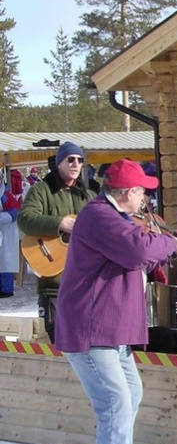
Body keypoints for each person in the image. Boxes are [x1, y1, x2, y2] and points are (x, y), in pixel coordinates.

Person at [54, 158, 177, 444]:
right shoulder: (99, 216)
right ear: (127, 192)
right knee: (114, 403)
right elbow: (139, 250)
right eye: (142, 190)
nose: (145, 196)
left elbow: (143, 255)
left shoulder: (116, 217)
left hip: (111, 328)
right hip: (91, 327)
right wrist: (172, 244)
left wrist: (164, 246)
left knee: (130, 392)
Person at [18, 142, 96, 341]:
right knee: (60, 341)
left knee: (87, 341)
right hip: (55, 283)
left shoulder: (88, 196)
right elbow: (25, 219)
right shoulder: (41, 191)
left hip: (85, 284)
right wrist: (60, 223)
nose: (76, 164)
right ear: (59, 163)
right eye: (70, 159)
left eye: (80, 160)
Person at [0, 169, 23, 297]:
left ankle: (7, 289)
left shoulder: (6, 195)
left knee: (5, 260)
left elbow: (14, 213)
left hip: (7, 232)